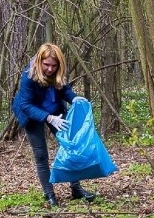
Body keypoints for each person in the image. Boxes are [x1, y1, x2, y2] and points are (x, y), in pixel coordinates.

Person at [13, 43, 96, 207]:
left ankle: (76, 189)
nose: (50, 69)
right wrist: (49, 119)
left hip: (55, 109)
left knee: (70, 146)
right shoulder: (28, 76)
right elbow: (25, 105)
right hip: (31, 114)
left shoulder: (58, 71)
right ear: (39, 61)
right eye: (46, 65)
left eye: (53, 65)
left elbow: (64, 89)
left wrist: (73, 98)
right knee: (41, 154)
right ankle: (49, 194)